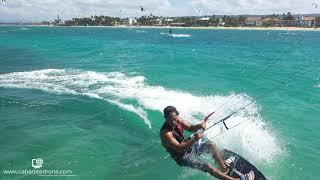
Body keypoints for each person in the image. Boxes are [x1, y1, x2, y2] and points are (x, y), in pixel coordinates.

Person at [159, 106, 254, 180]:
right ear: (165, 118)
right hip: (183, 157)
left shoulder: (178, 120)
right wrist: (194, 139)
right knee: (207, 166)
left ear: (177, 115)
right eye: (170, 119)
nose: (174, 121)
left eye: (175, 118)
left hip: (190, 147)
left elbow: (191, 128)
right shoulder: (166, 133)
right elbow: (180, 148)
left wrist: (199, 125)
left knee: (212, 145)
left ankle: (224, 169)